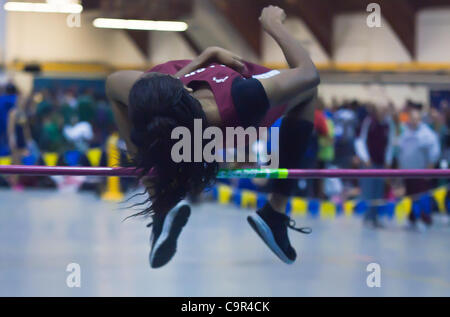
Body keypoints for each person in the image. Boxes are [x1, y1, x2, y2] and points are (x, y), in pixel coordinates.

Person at [106, 5, 320, 268]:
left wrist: (204, 57)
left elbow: (117, 83)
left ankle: (160, 207)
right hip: (232, 108)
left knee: (116, 84)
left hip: (186, 106)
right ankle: (275, 210)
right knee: (308, 93)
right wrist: (274, 25)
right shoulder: (245, 96)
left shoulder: (151, 92)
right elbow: (309, 75)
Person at [397, 108, 440, 229]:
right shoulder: (405, 132)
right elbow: (400, 151)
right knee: (410, 196)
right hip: (407, 171)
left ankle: (425, 219)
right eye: (412, 118)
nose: (414, 121)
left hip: (421, 171)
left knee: (422, 196)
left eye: (416, 119)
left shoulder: (427, 134)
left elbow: (434, 151)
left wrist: (430, 167)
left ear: (420, 119)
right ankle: (412, 219)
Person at [354, 104, 395, 228]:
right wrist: (365, 158)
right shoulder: (368, 122)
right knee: (368, 191)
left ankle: (376, 217)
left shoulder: (388, 124)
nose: (382, 113)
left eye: (384, 111)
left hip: (381, 163)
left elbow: (391, 143)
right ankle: (367, 217)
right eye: (380, 110)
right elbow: (360, 140)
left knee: (379, 192)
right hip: (369, 163)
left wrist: (388, 160)